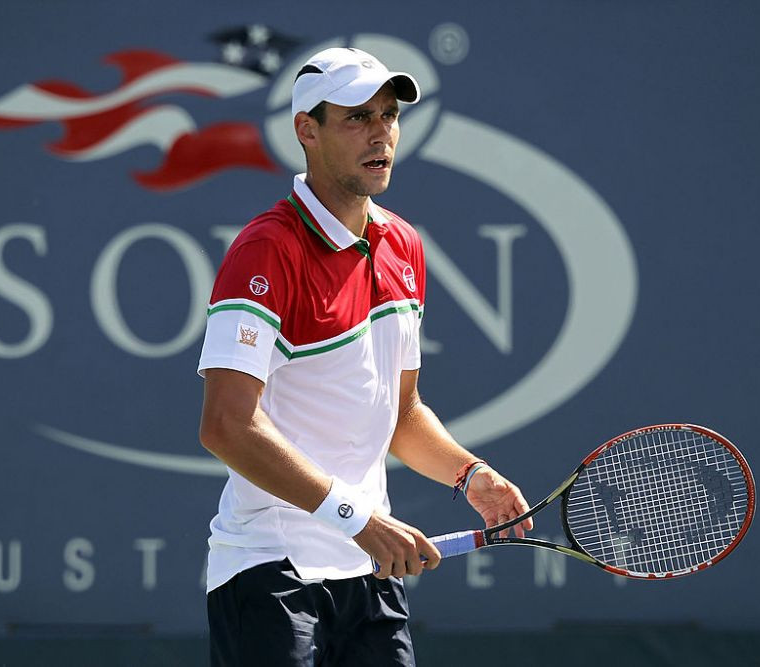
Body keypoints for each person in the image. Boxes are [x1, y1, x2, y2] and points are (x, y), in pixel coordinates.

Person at [197, 46, 533, 666]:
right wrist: (357, 518)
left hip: (368, 576)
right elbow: (226, 425)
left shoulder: (403, 245)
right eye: (356, 117)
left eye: (389, 115)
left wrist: (470, 475)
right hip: (270, 572)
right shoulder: (266, 251)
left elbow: (400, 412)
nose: (380, 132)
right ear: (307, 130)